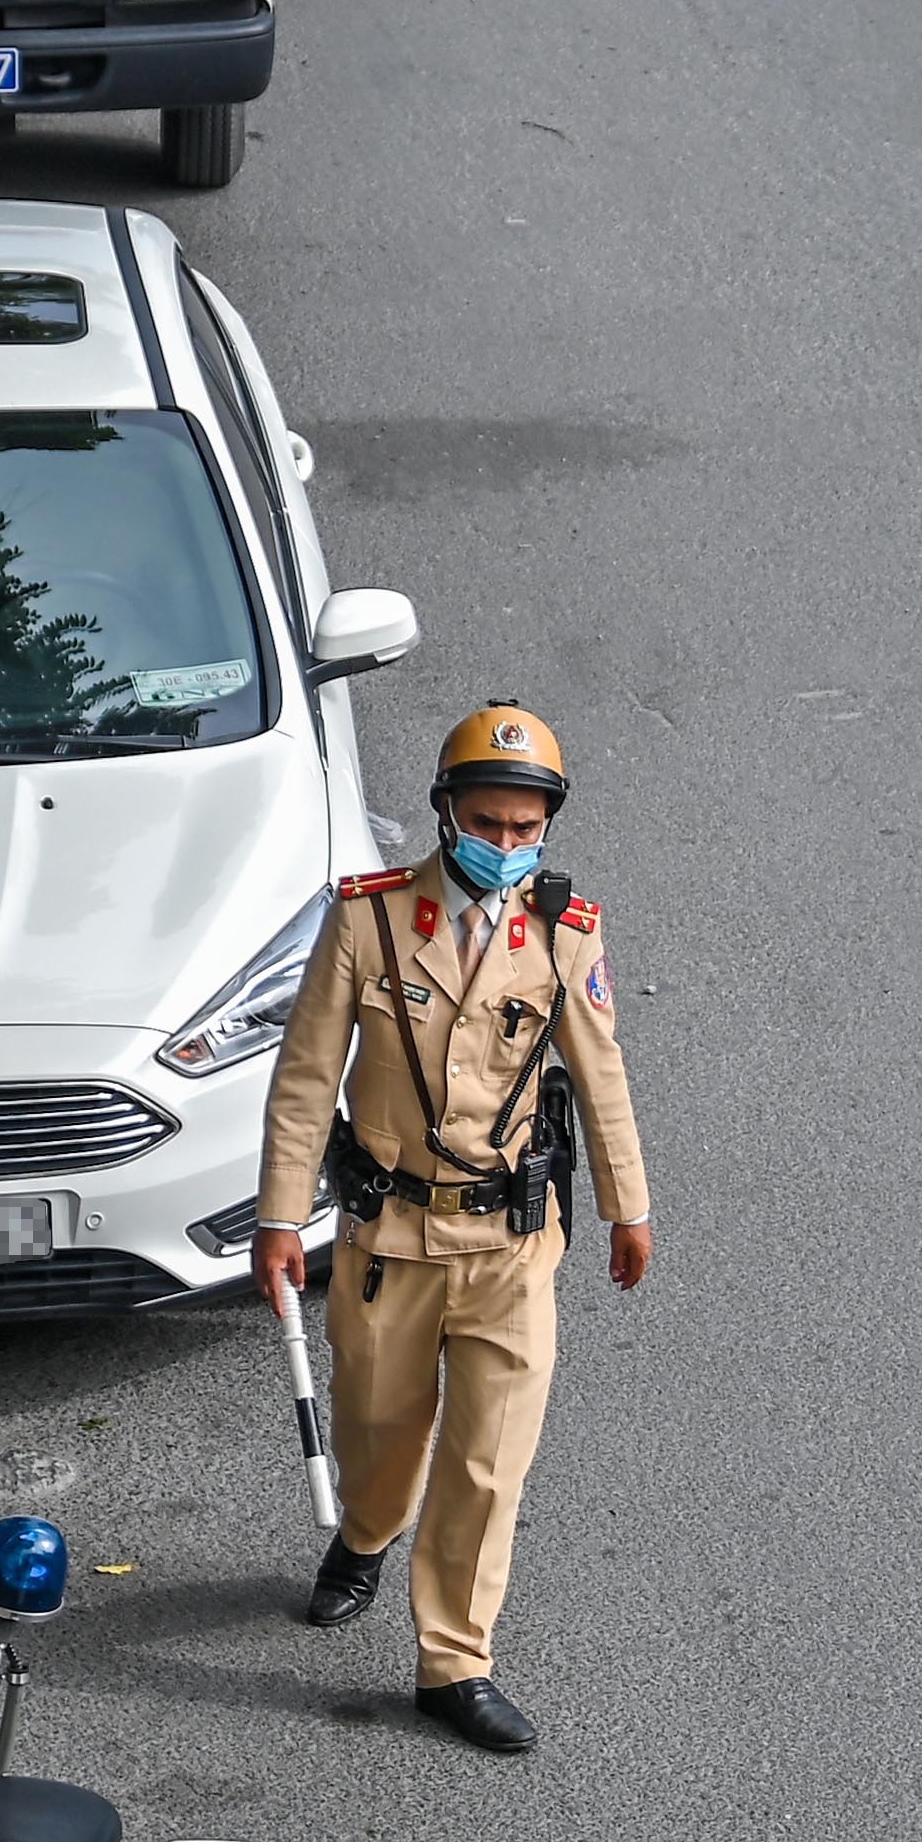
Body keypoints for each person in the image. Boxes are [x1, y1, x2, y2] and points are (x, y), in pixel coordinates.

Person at [248, 706, 658, 1755]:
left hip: (510, 1252)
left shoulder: (566, 931)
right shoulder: (369, 922)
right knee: (380, 1434)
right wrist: (282, 1214)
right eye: (489, 823)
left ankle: (454, 1662)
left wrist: (628, 1204)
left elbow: (599, 1073)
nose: (509, 846)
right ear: (444, 812)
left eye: (528, 829)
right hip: (388, 1241)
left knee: (487, 1466)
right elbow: (305, 1081)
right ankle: (366, 1533)